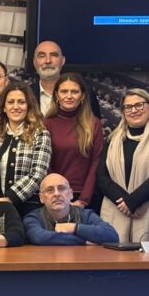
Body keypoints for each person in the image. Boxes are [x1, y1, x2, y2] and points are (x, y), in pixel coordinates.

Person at [97, 88, 149, 243]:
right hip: (116, 207)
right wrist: (124, 201)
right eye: (128, 107)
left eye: (139, 105)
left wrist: (133, 201)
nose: (133, 110)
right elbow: (102, 176)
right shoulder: (113, 139)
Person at [0, 81, 51, 215]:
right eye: (11, 102)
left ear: (28, 106)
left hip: (28, 209)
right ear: (4, 107)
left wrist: (10, 198)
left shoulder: (41, 134)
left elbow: (37, 175)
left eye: (21, 102)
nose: (16, 106)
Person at [44, 73, 104, 208]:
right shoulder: (47, 124)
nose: (69, 96)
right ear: (56, 95)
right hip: (56, 197)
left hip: (86, 197)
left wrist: (83, 200)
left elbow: (97, 162)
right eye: (64, 91)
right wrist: (57, 193)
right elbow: (45, 164)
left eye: (74, 92)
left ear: (82, 95)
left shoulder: (93, 124)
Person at [24, 173, 119, 246]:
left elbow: (112, 235)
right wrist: (84, 240)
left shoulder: (86, 214)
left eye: (61, 188)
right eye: (50, 190)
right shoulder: (33, 218)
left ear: (71, 194)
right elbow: (39, 238)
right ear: (41, 198)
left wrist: (74, 227)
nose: (57, 194)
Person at [32, 40, 101, 118]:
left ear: (63, 61)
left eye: (54, 55)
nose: (48, 61)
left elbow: (94, 127)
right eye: (41, 56)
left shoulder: (87, 93)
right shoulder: (24, 94)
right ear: (34, 62)